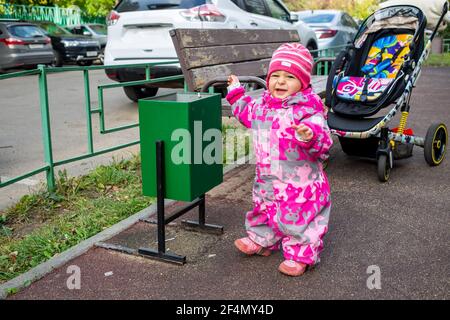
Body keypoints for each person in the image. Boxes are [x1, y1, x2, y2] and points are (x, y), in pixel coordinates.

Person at [226, 43, 333, 277]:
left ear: (303, 83)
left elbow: (324, 142)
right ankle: (262, 239)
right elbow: (246, 112)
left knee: (298, 217)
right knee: (264, 208)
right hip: (267, 176)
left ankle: (300, 253)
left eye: (289, 76)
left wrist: (309, 135)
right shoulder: (262, 106)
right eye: (275, 75)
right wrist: (236, 93)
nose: (280, 82)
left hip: (299, 183)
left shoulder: (307, 111)